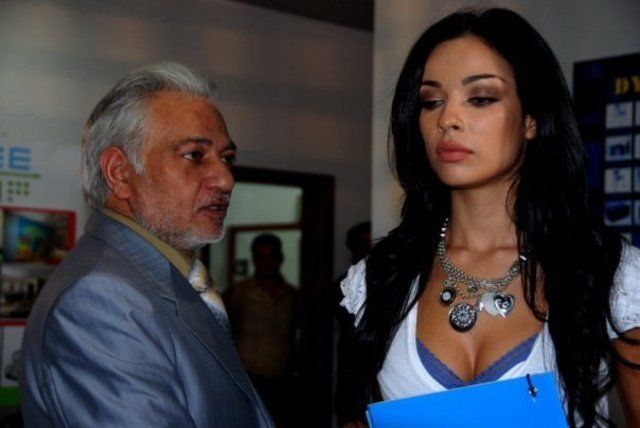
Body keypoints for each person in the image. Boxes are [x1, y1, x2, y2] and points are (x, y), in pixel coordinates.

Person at [340, 8, 640, 427]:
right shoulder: (379, 277)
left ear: (532, 119)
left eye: (480, 98)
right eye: (431, 102)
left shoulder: (610, 274)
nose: (448, 120)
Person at [20, 62, 274, 427]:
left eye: (227, 158)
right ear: (120, 173)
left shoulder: (164, 278)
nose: (225, 179)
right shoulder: (101, 298)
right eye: (194, 155)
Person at [224, 233, 300, 427]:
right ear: (254, 260)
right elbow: (221, 333)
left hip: (282, 383)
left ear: (280, 258)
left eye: (271, 256)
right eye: (260, 257)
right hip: (247, 381)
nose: (266, 263)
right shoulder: (238, 293)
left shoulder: (293, 296)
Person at [334, 221, 371, 428]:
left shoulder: (392, 283)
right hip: (352, 374)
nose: (366, 251)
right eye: (361, 245)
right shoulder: (343, 286)